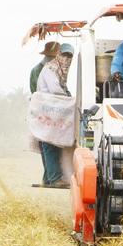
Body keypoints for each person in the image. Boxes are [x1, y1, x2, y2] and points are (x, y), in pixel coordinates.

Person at [35, 43, 74, 186]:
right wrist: (70, 99)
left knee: (51, 142)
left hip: (53, 110)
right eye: (64, 55)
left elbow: (62, 89)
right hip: (48, 110)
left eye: (69, 56)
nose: (66, 59)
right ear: (58, 55)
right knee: (49, 143)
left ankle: (48, 179)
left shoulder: (60, 71)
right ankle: (55, 179)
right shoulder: (50, 69)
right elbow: (55, 90)